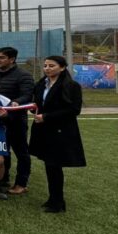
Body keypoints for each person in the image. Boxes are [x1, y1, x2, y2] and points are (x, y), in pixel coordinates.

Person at [29, 56, 86, 213]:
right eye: (45, 65)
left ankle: (58, 202)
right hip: (43, 131)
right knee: (50, 165)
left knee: (54, 165)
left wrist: (46, 117)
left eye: (51, 66)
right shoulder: (41, 84)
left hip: (61, 132)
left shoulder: (72, 86)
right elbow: (38, 104)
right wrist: (33, 108)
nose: (47, 68)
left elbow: (74, 110)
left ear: (62, 68)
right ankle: (53, 199)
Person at [0, 46, 35, 195]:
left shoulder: (24, 75)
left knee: (21, 152)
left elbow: (28, 95)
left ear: (12, 59)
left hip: (16, 121)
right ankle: (3, 179)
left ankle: (21, 183)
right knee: (3, 151)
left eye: (2, 57)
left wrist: (16, 102)